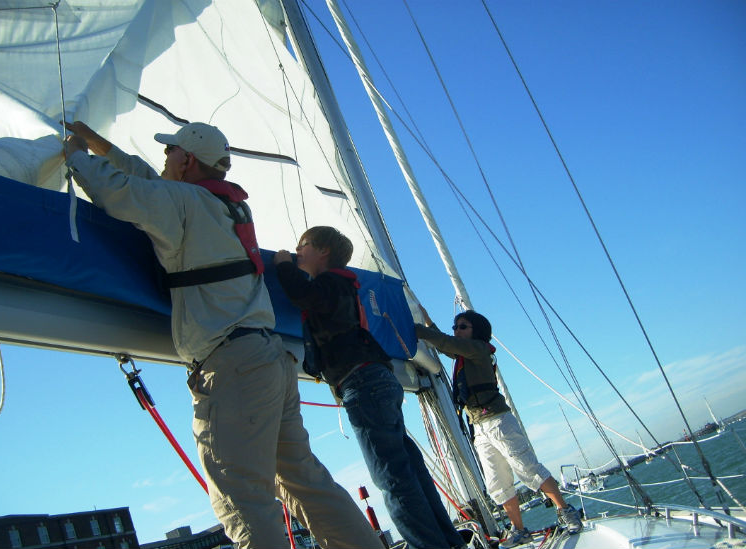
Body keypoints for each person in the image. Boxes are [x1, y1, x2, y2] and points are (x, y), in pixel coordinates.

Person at [62, 122, 383, 549]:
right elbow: (145, 177)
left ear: (187, 159)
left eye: (170, 153)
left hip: (233, 367)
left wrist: (76, 154)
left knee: (243, 499)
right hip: (269, 358)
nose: (164, 160)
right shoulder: (225, 207)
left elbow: (116, 190)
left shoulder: (184, 203)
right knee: (306, 481)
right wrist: (99, 143)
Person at [273, 226, 467, 549]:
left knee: (393, 479)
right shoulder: (344, 285)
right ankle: (449, 543)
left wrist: (281, 265)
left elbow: (304, 295)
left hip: (362, 384)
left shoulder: (330, 283)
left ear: (323, 252)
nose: (296, 250)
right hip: (376, 381)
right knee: (409, 470)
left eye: (302, 245)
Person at [415, 308, 583, 548]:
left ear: (476, 331)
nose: (457, 331)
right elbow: (444, 345)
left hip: (498, 422)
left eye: (462, 326)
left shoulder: (478, 349)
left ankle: (566, 511)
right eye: (455, 327)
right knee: (497, 482)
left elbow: (445, 342)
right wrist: (429, 322)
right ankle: (519, 529)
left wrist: (416, 329)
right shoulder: (463, 353)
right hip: (480, 427)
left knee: (527, 468)